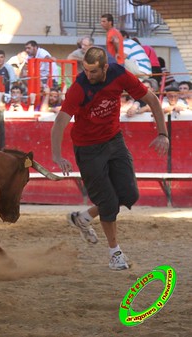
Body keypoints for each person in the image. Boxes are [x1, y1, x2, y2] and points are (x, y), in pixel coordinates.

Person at [51, 46, 169, 270]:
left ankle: (83, 218)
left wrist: (163, 133)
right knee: (108, 202)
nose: (89, 75)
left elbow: (152, 99)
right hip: (88, 149)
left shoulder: (119, 74)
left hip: (114, 141)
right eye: (85, 70)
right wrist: (57, 155)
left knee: (129, 194)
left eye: (93, 71)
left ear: (105, 67)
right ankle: (115, 254)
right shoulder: (79, 88)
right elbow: (60, 122)